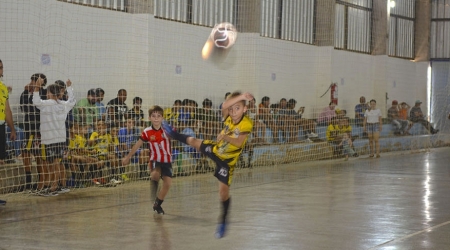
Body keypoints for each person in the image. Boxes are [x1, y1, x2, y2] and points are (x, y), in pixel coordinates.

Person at [161, 91, 254, 238]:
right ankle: (173, 134)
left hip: (226, 162)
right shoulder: (228, 116)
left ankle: (223, 220)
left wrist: (225, 136)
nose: (233, 112)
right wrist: (241, 97)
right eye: (231, 108)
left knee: (223, 194)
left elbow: (238, 142)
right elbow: (224, 105)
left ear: (245, 109)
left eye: (237, 108)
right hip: (217, 150)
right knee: (194, 142)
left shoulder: (246, 123)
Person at [122, 105, 173, 215]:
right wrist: (128, 157)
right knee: (154, 174)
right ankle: (154, 191)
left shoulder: (167, 130)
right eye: (153, 116)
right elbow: (137, 145)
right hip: (155, 159)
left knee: (168, 183)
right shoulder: (147, 131)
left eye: (158, 116)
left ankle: (157, 204)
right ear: (149, 118)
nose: (156, 118)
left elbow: (178, 136)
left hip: (167, 160)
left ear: (162, 118)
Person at [33, 78, 76, 196]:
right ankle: (55, 185)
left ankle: (53, 187)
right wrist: (69, 88)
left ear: (50, 93)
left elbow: (35, 101)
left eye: (47, 92)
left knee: (52, 163)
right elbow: (72, 101)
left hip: (49, 139)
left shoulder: (46, 104)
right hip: (60, 139)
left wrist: (37, 86)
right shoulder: (64, 105)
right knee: (56, 162)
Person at [20, 73, 47, 192]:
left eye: (34, 81)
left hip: (39, 129)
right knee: (25, 153)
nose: (31, 83)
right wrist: (26, 92)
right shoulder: (26, 92)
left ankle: (41, 181)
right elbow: (24, 108)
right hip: (28, 127)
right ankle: (28, 181)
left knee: (38, 155)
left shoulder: (44, 93)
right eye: (31, 81)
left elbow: (36, 108)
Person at [0, 59, 17, 205]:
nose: (0, 70)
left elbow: (7, 110)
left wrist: (12, 129)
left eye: (1, 68)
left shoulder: (3, 88)